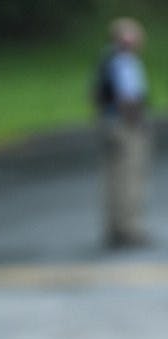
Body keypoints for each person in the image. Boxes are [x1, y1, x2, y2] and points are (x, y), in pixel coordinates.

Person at [93, 17, 151, 249]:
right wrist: (137, 124)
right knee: (129, 177)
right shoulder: (124, 61)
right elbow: (129, 97)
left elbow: (95, 95)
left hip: (108, 122)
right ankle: (128, 228)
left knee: (112, 179)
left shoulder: (106, 59)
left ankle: (114, 227)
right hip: (125, 126)